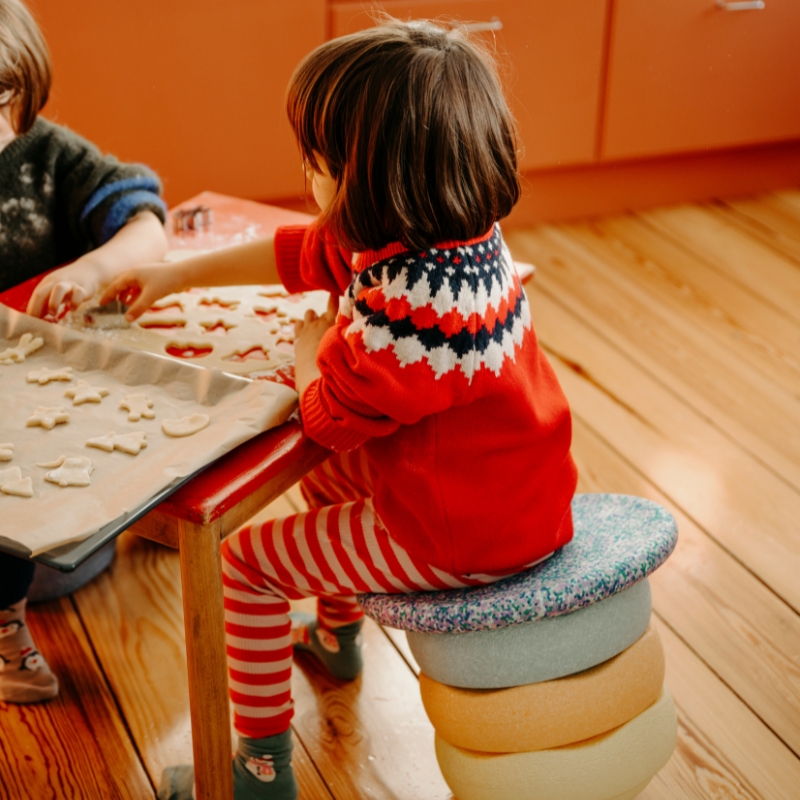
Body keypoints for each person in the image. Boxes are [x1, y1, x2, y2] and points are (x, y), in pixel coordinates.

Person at [103, 19, 577, 800]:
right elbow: (301, 250)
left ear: (375, 178)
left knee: (245, 567)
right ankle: (336, 634)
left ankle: (259, 771)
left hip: (456, 534)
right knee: (328, 486)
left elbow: (326, 416)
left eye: (318, 164)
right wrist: (174, 278)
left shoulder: (411, 319)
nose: (307, 176)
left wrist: (309, 353)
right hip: (511, 494)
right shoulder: (446, 235)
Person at [0, 0, 168, 705]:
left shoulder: (47, 157)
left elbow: (146, 225)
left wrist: (92, 269)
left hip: (59, 434)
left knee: (71, 565)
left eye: (0, 97)